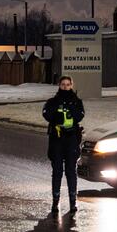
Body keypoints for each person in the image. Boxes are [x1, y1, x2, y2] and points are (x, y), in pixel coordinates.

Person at [42, 75, 85, 214]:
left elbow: (80, 115)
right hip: (57, 139)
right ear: (59, 85)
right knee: (57, 171)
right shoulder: (53, 101)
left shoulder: (76, 101)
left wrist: (71, 108)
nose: (65, 87)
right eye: (63, 84)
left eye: (68, 84)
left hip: (71, 139)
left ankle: (73, 202)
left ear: (72, 85)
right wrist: (56, 114)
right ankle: (55, 202)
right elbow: (46, 114)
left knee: (71, 172)